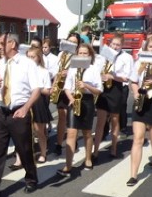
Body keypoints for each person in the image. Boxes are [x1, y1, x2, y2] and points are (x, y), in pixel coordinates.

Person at [0, 33, 42, 197]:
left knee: (24, 148)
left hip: (19, 111)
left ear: (12, 44)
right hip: (1, 112)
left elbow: (36, 90)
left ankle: (31, 178)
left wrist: (25, 108)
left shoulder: (27, 64)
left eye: (1, 43)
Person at [57, 43, 103, 177]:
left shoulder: (93, 69)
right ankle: (68, 165)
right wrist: (71, 98)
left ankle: (88, 159)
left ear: (90, 55)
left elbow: (99, 90)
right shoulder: (72, 68)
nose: (82, 55)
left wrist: (86, 86)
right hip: (74, 101)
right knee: (71, 133)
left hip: (87, 101)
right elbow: (66, 87)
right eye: (80, 53)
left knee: (87, 133)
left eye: (85, 53)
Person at [127, 35, 152, 185]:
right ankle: (133, 175)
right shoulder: (139, 62)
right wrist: (136, 92)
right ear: (146, 48)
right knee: (138, 138)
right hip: (142, 99)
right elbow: (134, 81)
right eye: (151, 47)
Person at [93, 32, 132, 159]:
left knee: (115, 120)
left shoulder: (126, 57)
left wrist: (113, 76)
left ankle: (114, 148)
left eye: (118, 45)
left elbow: (127, 78)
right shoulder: (103, 55)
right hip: (103, 88)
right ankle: (95, 150)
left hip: (116, 88)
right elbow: (96, 69)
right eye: (113, 44)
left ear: (122, 45)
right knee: (100, 120)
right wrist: (100, 75)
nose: (115, 47)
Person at [52, 32, 80, 155]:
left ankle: (73, 140)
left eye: (74, 42)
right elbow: (55, 71)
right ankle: (59, 143)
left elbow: (80, 73)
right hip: (61, 88)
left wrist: (68, 72)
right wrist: (54, 84)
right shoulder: (61, 54)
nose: (72, 44)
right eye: (70, 41)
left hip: (74, 90)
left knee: (73, 117)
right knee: (62, 116)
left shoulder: (79, 56)